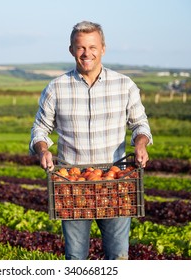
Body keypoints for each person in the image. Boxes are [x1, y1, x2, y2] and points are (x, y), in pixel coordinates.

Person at [29, 21, 153, 260]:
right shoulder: (56, 88)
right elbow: (40, 129)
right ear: (71, 50)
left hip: (115, 180)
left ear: (103, 48)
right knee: (76, 258)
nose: (87, 53)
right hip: (72, 182)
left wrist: (140, 143)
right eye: (80, 47)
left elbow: (140, 124)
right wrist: (42, 149)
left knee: (118, 256)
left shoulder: (124, 85)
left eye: (92, 47)